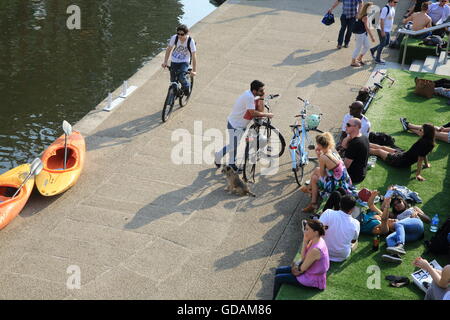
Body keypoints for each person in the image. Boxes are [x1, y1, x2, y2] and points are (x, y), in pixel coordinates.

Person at [214, 80, 273, 171]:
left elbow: (260, 110)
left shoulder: (253, 96)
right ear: (254, 91)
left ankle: (231, 163)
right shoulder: (249, 97)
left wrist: (262, 97)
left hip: (240, 125)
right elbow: (253, 113)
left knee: (234, 144)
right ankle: (219, 156)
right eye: (261, 91)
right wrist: (267, 115)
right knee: (233, 145)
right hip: (235, 125)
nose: (263, 92)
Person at [362, 192, 426, 263]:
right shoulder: (394, 220)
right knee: (389, 238)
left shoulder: (412, 209)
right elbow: (383, 215)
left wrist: (417, 213)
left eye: (399, 202)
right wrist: (387, 203)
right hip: (412, 235)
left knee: (398, 224)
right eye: (395, 205)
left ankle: (400, 246)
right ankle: (395, 255)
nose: (397, 205)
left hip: (417, 225)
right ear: (392, 229)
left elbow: (428, 220)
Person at [272, 219, 330, 299]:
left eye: (307, 229)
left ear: (315, 232)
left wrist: (295, 267)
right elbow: (303, 258)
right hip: (309, 271)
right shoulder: (316, 239)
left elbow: (301, 269)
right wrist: (305, 241)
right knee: (278, 270)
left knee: (278, 278)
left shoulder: (316, 250)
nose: (304, 232)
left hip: (312, 279)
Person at [301, 133, 356, 213]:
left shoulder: (324, 157)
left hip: (336, 185)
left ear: (319, 145)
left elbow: (323, 175)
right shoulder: (332, 150)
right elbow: (328, 170)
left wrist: (318, 155)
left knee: (314, 176)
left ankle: (310, 194)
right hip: (343, 181)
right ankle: (312, 201)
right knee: (315, 176)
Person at [369, 123, 435, 181]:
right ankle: (365, 142)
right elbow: (425, 154)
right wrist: (426, 164)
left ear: (425, 133)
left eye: (421, 130)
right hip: (403, 155)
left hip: (400, 161)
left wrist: (418, 174)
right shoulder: (429, 142)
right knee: (383, 147)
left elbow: (420, 159)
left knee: (379, 151)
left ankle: (361, 147)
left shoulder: (423, 143)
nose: (419, 131)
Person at [319, 195, 360, 262]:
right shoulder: (356, 223)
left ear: (339, 204)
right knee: (355, 242)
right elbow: (353, 241)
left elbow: (317, 228)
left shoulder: (328, 212)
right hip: (342, 255)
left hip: (322, 250)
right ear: (353, 209)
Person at [161, 24, 197, 96]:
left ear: (186, 33)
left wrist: (194, 71)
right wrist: (165, 62)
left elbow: (194, 56)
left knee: (181, 76)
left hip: (184, 61)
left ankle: (187, 86)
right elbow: (168, 49)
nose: (180, 36)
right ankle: (175, 93)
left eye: (182, 34)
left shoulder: (190, 41)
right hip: (174, 60)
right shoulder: (174, 38)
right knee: (173, 80)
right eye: (178, 34)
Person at [341, 117, 370, 184]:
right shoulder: (363, 137)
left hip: (354, 176)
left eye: (348, 125)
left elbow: (345, 166)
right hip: (361, 172)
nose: (345, 126)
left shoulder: (355, 144)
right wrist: (349, 137)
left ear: (356, 127)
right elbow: (344, 146)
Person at [370, 0, 398, 64]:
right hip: (382, 29)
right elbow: (381, 20)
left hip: (387, 30)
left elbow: (390, 19)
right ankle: (377, 59)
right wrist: (382, 31)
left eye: (397, 2)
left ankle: (373, 50)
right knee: (382, 43)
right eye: (395, 2)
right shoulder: (385, 9)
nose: (396, 3)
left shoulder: (393, 8)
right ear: (390, 1)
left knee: (386, 43)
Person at [351, 2, 376, 67]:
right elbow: (367, 27)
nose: (372, 9)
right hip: (360, 34)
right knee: (358, 48)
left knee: (367, 46)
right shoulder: (365, 16)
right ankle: (353, 62)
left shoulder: (363, 14)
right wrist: (372, 37)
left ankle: (359, 58)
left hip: (363, 33)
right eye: (371, 8)